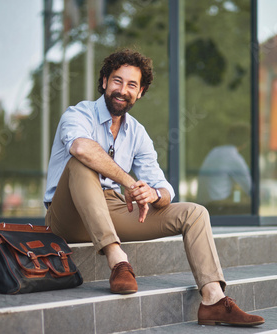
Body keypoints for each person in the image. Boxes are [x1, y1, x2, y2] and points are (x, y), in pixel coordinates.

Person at [43, 49, 264, 327]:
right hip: (67, 215)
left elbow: (164, 188)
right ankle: (118, 261)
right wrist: (129, 181)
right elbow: (80, 147)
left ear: (141, 92)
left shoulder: (137, 132)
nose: (122, 90)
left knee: (195, 213)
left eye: (131, 85)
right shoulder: (78, 114)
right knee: (82, 162)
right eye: (116, 81)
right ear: (103, 82)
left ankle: (213, 300)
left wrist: (153, 194)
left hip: (112, 209)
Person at [197, 123, 252, 214]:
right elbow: (250, 188)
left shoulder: (214, 152)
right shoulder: (233, 157)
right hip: (217, 208)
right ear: (245, 142)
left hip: (203, 205)